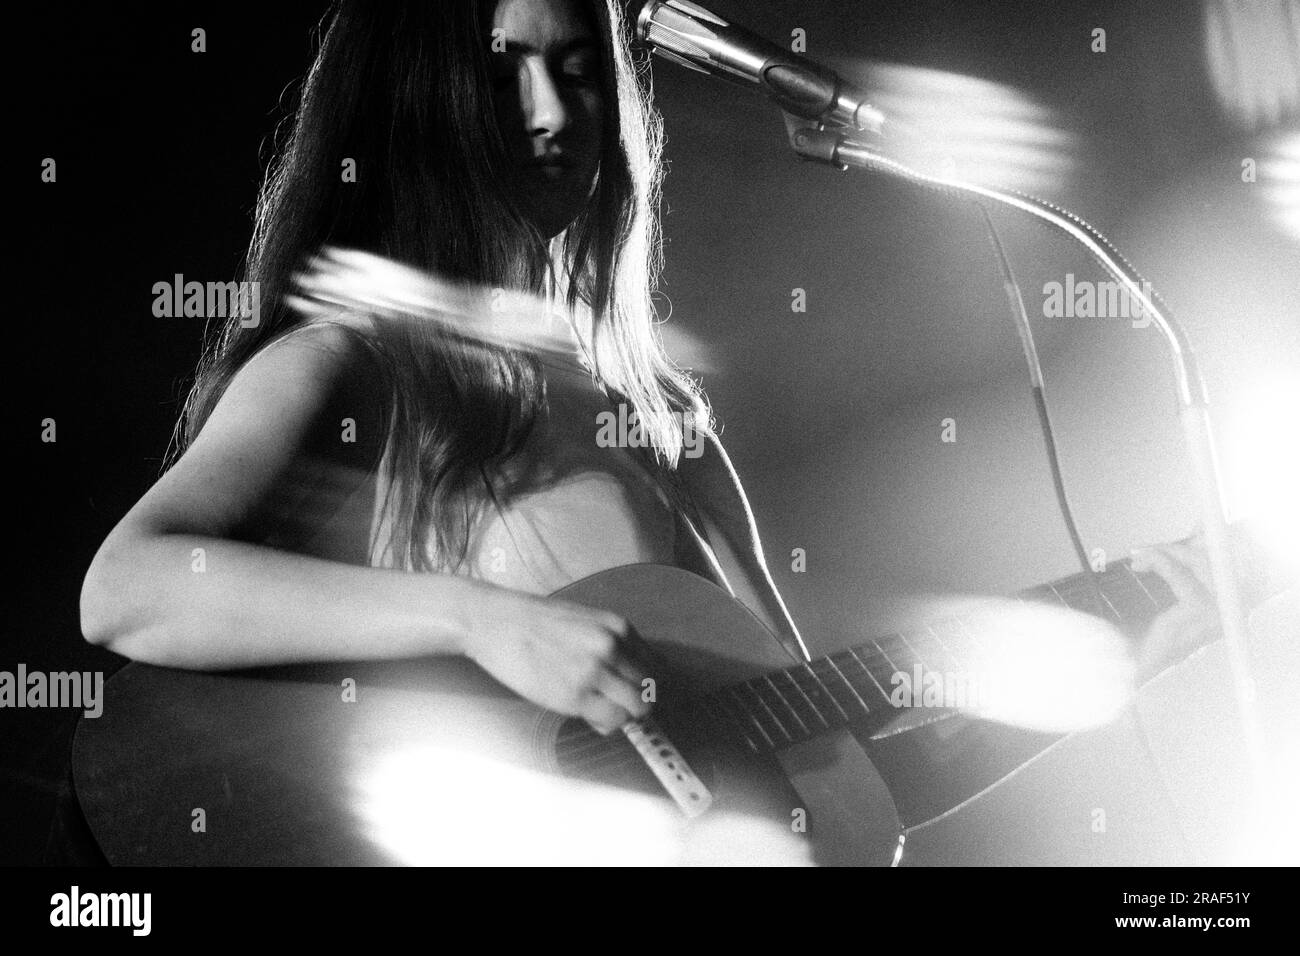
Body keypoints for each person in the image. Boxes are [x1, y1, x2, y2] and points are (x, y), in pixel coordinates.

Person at [80, 0, 1218, 746]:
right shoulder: (349, 366)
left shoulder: (667, 430)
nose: (549, 111)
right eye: (505, 68)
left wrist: (1112, 650)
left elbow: (825, 761)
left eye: (579, 71)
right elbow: (126, 588)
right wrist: (475, 618)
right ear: (421, 98)